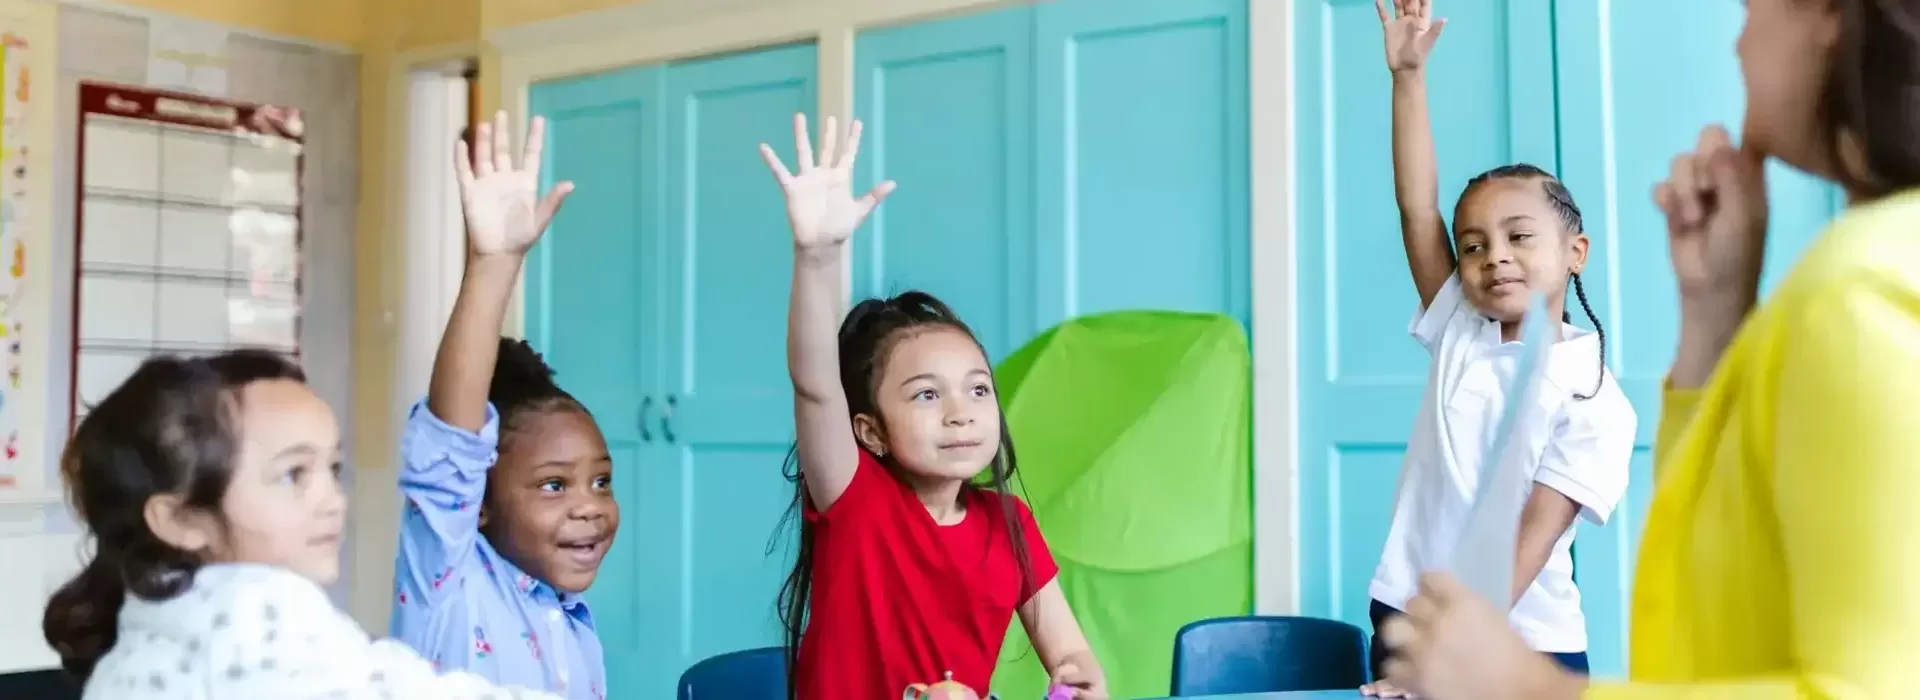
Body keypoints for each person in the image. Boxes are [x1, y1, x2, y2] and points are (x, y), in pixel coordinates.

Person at [1378, 0, 1920, 698]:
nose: (1737, 39)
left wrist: (1533, 687)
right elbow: (1725, 585)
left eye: (1753, 6)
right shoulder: (1856, 284)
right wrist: (1715, 318)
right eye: (1477, 243)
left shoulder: (1861, 293)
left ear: (1825, 14)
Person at [760, 113, 1108, 699]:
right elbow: (816, 383)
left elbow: (1077, 665)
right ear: (869, 431)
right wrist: (816, 256)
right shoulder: (856, 502)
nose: (961, 412)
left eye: (978, 389)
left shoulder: (1009, 525)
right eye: (927, 394)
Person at [1361, 1, 1637, 696]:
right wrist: (1407, 78)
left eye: (1520, 237)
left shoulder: (1593, 394)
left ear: (1576, 252)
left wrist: (1456, 651)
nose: (1495, 258)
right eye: (1475, 245)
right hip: (1410, 615)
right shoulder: (1458, 324)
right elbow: (1416, 207)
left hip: (1522, 642)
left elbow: (1530, 542)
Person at [41, 350, 559, 699]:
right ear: (179, 519)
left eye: (331, 469)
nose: (332, 499)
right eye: (292, 474)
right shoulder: (258, 610)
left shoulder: (145, 627)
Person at [389, 110, 618, 700]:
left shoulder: (573, 623)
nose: (590, 507)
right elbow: (451, 447)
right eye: (552, 485)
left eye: (600, 481)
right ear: (479, 503)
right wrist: (495, 264)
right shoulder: (449, 583)